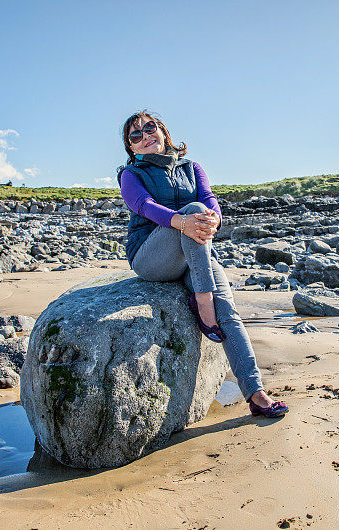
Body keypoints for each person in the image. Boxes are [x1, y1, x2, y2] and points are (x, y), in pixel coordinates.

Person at [117, 110, 288, 418]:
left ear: (164, 133)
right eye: (135, 136)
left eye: (150, 128)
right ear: (131, 148)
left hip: (193, 253)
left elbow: (209, 200)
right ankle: (202, 298)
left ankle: (256, 392)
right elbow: (142, 205)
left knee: (229, 311)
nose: (145, 136)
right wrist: (180, 220)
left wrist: (214, 221)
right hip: (152, 256)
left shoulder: (192, 167)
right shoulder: (130, 175)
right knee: (194, 211)